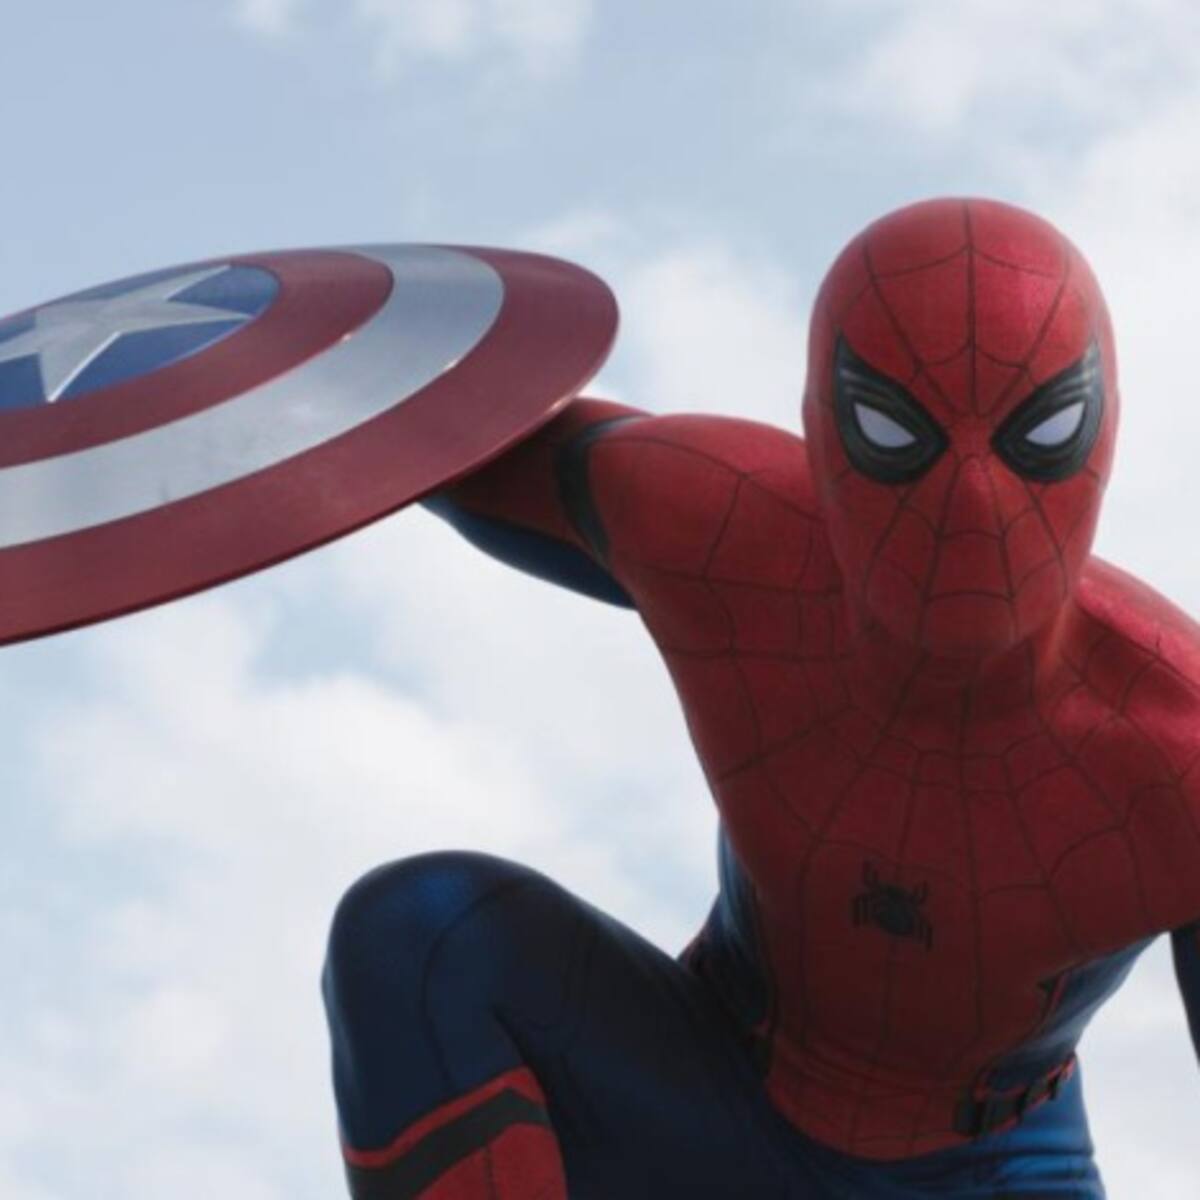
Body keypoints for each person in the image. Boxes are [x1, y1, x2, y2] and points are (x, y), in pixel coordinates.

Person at [321, 197, 1200, 1199]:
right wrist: (242, 351)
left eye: (1041, 432)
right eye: (892, 430)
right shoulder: (725, 529)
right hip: (704, 1092)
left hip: (991, 1172)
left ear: (1105, 433)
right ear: (822, 431)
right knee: (423, 934)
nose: (968, 502)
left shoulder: (1178, 749)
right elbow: (418, 426)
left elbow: (416, 428)